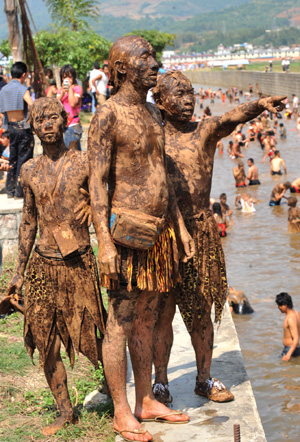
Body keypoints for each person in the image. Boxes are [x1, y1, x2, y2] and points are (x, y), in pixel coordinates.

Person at [151, 70, 285, 406]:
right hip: (163, 234)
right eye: (179, 93)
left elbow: (231, 116)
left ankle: (203, 378)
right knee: (161, 313)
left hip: (201, 230)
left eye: (191, 92)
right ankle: (161, 383)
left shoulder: (204, 131)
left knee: (202, 309)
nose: (189, 99)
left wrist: (261, 104)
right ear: (162, 100)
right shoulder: (152, 138)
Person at [88, 36, 193, 442]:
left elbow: (161, 175)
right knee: (120, 320)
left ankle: (146, 399)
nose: (154, 64)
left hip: (159, 231)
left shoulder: (152, 112)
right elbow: (97, 185)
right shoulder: (107, 116)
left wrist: (179, 228)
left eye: (153, 56)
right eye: (144, 58)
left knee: (147, 318)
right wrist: (105, 242)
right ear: (121, 70)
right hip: (125, 234)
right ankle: (120, 409)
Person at [4, 97, 107, 436]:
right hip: (42, 266)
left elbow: (109, 196)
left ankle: (114, 389)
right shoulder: (29, 169)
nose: (46, 124)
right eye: (39, 119)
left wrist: (94, 206)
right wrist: (18, 272)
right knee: (44, 340)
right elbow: (28, 222)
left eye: (52, 117)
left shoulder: (84, 162)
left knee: (94, 334)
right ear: (32, 127)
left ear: (65, 121)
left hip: (79, 263)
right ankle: (66, 411)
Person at [0, 61, 34, 198]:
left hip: (10, 129)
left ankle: (10, 190)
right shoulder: (22, 88)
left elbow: (2, 112)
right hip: (22, 128)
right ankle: (20, 192)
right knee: (24, 160)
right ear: (24, 74)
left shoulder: (3, 90)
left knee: (12, 159)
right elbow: (31, 105)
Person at [57, 64, 83, 150]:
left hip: (73, 126)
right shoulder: (61, 90)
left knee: (71, 154)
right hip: (63, 125)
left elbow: (72, 103)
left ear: (73, 77)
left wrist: (70, 89)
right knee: (74, 154)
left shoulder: (77, 88)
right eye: (64, 77)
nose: (67, 80)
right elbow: (55, 104)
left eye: (69, 77)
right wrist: (63, 93)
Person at [276, 293, 300, 361]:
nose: (278, 308)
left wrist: (288, 355)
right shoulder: (297, 313)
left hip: (290, 349)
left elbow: (296, 338)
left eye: (279, 306)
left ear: (285, 305)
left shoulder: (290, 318)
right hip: (297, 348)